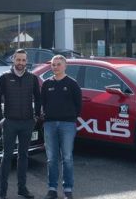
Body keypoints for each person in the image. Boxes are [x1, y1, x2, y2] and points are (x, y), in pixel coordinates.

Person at [0, 48, 41, 199]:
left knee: (23, 156)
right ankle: (2, 193)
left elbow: (38, 98)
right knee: (6, 157)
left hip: (27, 123)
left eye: (23, 60)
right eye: (18, 60)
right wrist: (1, 119)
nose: (20, 63)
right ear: (13, 60)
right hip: (10, 123)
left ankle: (22, 189)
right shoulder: (4, 77)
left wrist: (36, 116)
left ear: (26, 61)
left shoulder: (32, 78)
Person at [40, 55, 81, 199]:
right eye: (53, 64)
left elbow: (78, 105)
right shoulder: (46, 84)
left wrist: (69, 117)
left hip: (67, 125)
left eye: (58, 64)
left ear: (65, 66)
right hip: (50, 124)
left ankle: (68, 189)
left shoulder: (72, 84)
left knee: (67, 157)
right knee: (51, 158)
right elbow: (42, 103)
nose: (55, 67)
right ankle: (52, 189)